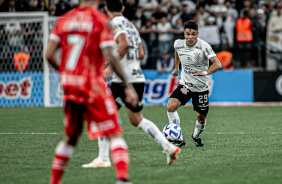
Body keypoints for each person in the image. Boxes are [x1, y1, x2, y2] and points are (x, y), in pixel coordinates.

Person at [45, 0, 139, 183]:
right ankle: (122, 179)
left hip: (71, 85)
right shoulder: (100, 20)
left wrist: (65, 73)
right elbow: (110, 54)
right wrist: (127, 86)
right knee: (114, 133)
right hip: (93, 85)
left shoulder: (63, 20)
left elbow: (48, 54)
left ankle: (54, 181)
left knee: (71, 137)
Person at [82, 0, 180, 169]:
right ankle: (169, 147)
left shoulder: (113, 23)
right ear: (123, 8)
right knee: (136, 119)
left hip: (123, 80)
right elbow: (140, 53)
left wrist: (109, 66)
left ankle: (103, 158)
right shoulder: (132, 26)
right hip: (138, 78)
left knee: (103, 114)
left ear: (105, 9)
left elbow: (124, 44)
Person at [167, 20, 222, 147]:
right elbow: (177, 51)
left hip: (201, 88)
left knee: (201, 118)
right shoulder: (178, 44)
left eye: (193, 34)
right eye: (187, 34)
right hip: (186, 85)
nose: (190, 37)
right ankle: (178, 138)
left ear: (197, 34)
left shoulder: (204, 46)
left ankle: (196, 136)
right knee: (171, 106)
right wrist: (176, 67)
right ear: (184, 34)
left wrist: (205, 72)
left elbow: (218, 64)